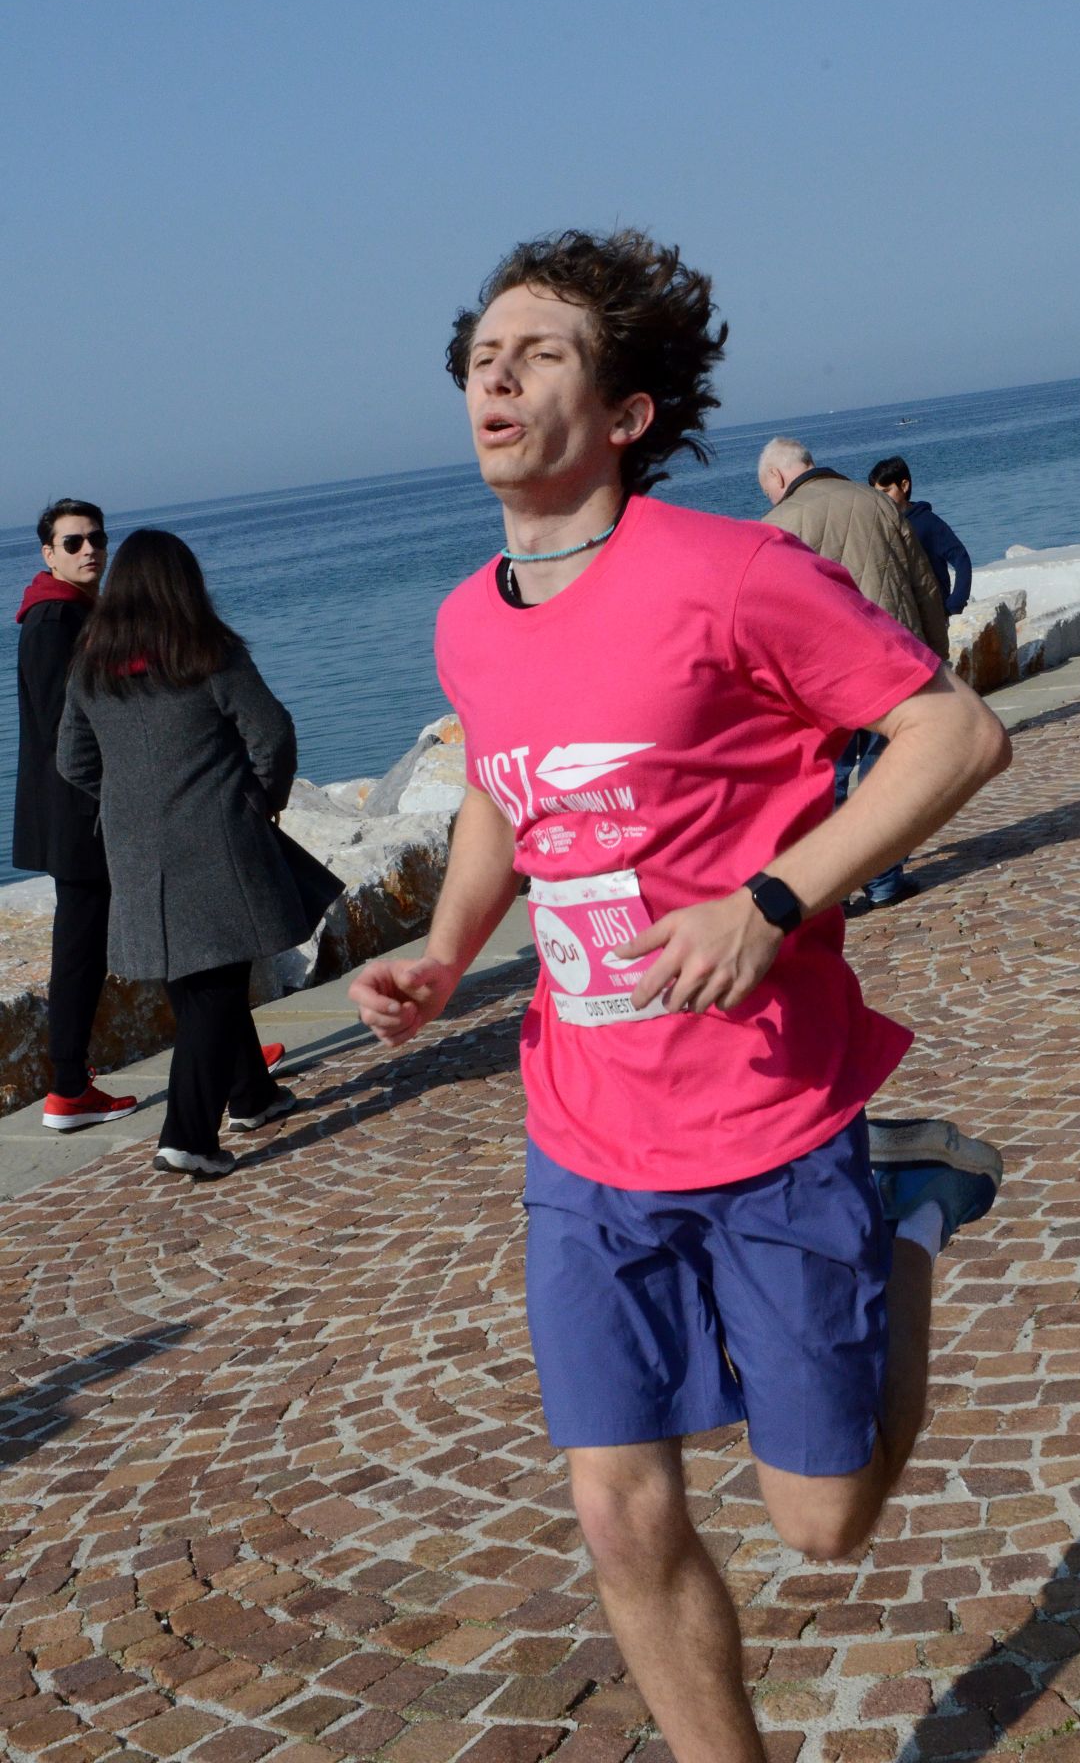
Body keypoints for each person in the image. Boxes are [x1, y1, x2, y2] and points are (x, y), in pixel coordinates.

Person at [350, 229, 1011, 1763]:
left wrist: (774, 902)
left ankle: (909, 1208)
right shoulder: (465, 620)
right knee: (617, 1508)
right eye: (482, 356)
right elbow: (504, 791)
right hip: (583, 1126)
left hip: (768, 1105)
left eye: (541, 354)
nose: (497, 376)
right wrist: (446, 952)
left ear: (627, 412)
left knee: (823, 1522)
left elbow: (956, 736)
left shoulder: (734, 574)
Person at [57, 530, 341, 1180]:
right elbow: (272, 733)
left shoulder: (91, 666)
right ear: (184, 583)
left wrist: (130, 799)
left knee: (194, 979)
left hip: (137, 850)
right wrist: (262, 797)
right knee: (214, 985)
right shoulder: (206, 650)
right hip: (218, 838)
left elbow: (72, 761)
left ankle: (253, 1095)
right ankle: (186, 1137)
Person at [758, 439, 946, 910]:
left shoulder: (776, 525)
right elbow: (924, 584)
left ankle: (834, 889)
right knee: (887, 775)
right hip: (894, 662)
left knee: (828, 782)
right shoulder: (879, 504)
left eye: (767, 490)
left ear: (777, 477)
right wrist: (936, 654)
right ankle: (884, 882)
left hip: (824, 677)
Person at [13, 498, 137, 1133]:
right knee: (83, 950)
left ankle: (233, 1061)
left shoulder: (77, 611)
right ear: (48, 554)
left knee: (114, 936)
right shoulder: (53, 619)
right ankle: (66, 1088)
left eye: (97, 538)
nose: (90, 549)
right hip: (81, 812)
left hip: (86, 809)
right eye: (73, 542)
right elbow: (66, 725)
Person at [869, 454, 973, 616]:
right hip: (901, 614)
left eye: (886, 491)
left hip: (935, 612)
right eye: (877, 493)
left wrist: (955, 603)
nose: (881, 498)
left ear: (904, 486)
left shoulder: (927, 522)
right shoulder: (879, 526)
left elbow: (961, 558)